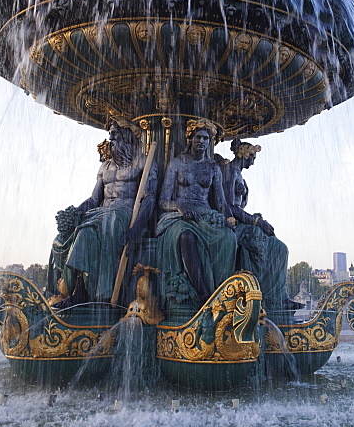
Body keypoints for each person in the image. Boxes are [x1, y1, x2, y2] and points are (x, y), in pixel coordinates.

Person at [46, 116, 156, 307]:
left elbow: (149, 198)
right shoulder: (105, 166)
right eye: (110, 135)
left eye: (115, 135)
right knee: (78, 230)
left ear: (128, 136)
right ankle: (74, 289)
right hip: (103, 212)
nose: (111, 140)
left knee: (98, 225)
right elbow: (94, 199)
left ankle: (85, 292)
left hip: (124, 212)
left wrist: (137, 228)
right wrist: (75, 213)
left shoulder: (143, 162)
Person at [156, 119, 237, 310]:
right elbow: (163, 200)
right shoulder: (177, 163)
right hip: (178, 215)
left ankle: (222, 292)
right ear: (190, 139)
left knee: (228, 239)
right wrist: (178, 207)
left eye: (206, 139)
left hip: (205, 214)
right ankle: (204, 295)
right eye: (198, 137)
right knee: (186, 237)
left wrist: (229, 218)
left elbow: (221, 202)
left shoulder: (213, 167)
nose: (202, 141)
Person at [218, 139, 293, 311]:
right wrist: (256, 221)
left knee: (278, 247)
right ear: (244, 153)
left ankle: (277, 295)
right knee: (271, 244)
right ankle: (265, 295)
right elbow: (227, 205)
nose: (253, 161)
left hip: (241, 221)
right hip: (230, 222)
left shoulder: (237, 174)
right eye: (252, 157)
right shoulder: (229, 172)